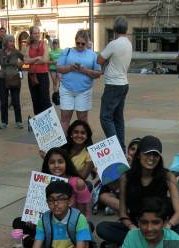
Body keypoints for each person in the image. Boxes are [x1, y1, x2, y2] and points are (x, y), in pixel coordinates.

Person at [96, 136, 179, 248]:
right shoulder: (126, 177)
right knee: (102, 228)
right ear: (139, 155)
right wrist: (132, 227)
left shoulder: (167, 176)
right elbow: (123, 213)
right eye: (147, 154)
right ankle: (150, 246)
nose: (151, 158)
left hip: (159, 227)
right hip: (136, 227)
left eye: (155, 155)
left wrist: (168, 226)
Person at [98, 16, 133, 150]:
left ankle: (115, 148)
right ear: (126, 28)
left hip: (113, 84)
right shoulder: (129, 43)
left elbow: (100, 60)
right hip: (124, 83)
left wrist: (107, 61)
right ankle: (122, 147)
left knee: (105, 117)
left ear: (114, 29)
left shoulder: (113, 43)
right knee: (118, 118)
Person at [56, 30, 101, 131]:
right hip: (66, 89)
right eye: (78, 43)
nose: (80, 45)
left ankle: (86, 144)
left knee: (83, 120)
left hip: (84, 91)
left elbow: (98, 74)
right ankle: (63, 145)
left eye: (83, 44)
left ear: (87, 42)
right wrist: (70, 68)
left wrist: (85, 70)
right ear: (75, 41)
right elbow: (58, 68)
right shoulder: (67, 51)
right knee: (64, 118)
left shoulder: (93, 55)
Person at [97, 138, 141, 214]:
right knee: (104, 197)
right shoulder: (120, 162)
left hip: (135, 196)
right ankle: (126, 210)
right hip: (118, 194)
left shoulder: (145, 165)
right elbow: (113, 186)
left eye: (138, 150)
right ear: (128, 150)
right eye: (132, 149)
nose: (134, 152)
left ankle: (121, 209)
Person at [0, 34, 24, 129]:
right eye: (11, 41)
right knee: (4, 102)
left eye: (13, 41)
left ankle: (18, 121)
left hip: (14, 78)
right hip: (2, 78)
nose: (12, 43)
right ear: (6, 42)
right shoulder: (0, 52)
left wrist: (20, 65)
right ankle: (4, 122)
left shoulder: (16, 52)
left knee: (16, 101)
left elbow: (25, 59)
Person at [24, 26, 51, 115]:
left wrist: (32, 61)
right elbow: (26, 61)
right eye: (35, 33)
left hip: (43, 74)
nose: (37, 35)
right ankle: (39, 124)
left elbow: (45, 59)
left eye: (38, 33)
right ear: (31, 34)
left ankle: (50, 121)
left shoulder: (44, 44)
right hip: (32, 75)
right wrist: (37, 58)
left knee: (45, 99)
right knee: (35, 100)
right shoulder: (28, 46)